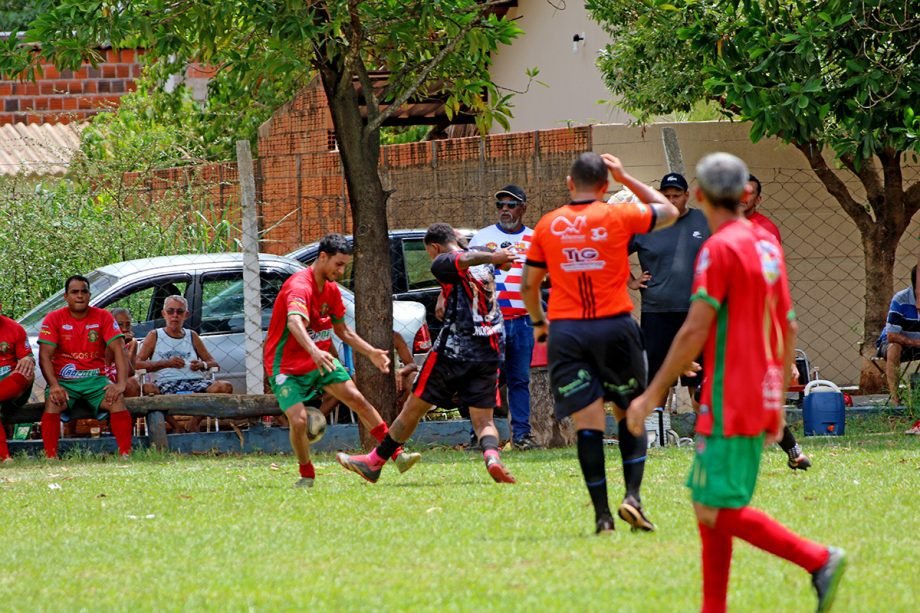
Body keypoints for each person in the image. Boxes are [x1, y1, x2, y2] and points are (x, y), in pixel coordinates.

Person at [627, 152, 846, 612]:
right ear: (745, 194)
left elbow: (694, 327)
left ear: (701, 195)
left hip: (731, 393)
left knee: (712, 507)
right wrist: (779, 398)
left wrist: (650, 394)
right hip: (758, 388)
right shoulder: (765, 243)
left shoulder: (719, 248)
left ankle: (818, 559)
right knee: (713, 506)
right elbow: (788, 324)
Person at [520, 152, 680, 534]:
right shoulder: (618, 216)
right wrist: (629, 178)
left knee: (588, 424)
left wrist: (540, 324)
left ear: (569, 184)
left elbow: (529, 284)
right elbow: (668, 211)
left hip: (568, 333)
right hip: (615, 329)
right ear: (605, 187)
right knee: (630, 413)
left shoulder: (548, 225)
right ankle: (633, 497)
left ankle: (602, 518)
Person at [336, 223, 517, 484]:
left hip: (453, 352)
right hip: (489, 349)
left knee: (412, 409)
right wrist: (495, 259)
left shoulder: (443, 261)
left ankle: (374, 462)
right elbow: (489, 264)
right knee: (483, 419)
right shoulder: (481, 258)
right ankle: (492, 457)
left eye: (429, 253)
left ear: (434, 247)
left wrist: (493, 257)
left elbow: (462, 259)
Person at [264, 233, 421, 488]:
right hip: (286, 365)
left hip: (321, 361)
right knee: (300, 420)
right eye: (338, 264)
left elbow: (343, 331)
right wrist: (314, 350)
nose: (341, 270)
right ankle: (306, 474)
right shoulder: (298, 287)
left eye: (344, 265)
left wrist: (370, 352)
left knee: (357, 399)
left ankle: (396, 454)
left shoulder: (332, 290)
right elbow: (294, 322)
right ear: (323, 257)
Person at [740, 174, 811, 470]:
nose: (742, 197)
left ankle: (790, 449)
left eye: (749, 193)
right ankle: (791, 451)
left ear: (759, 198)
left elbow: (774, 285)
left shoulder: (766, 231)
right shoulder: (718, 228)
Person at [626, 172, 709, 415]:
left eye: (676, 196)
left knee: (699, 376)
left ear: (687, 195)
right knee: (657, 376)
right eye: (667, 196)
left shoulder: (704, 221)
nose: (672, 200)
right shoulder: (646, 224)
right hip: (657, 312)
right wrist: (631, 281)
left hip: (696, 312)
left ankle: (704, 433)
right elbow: (613, 253)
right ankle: (656, 434)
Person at [470, 184, 539, 450]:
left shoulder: (535, 239)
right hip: (490, 321)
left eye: (511, 205)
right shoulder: (482, 237)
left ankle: (521, 435)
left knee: (519, 379)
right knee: (486, 378)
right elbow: (470, 272)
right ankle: (479, 435)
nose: (505, 210)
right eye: (501, 205)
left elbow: (544, 278)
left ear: (523, 207)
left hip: (522, 321)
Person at [38, 275, 133, 458]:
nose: (80, 296)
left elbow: (119, 348)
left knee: (117, 399)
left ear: (89, 295)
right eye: (75, 292)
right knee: (53, 401)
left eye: (84, 291)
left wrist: (120, 384)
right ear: (66, 297)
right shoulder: (53, 318)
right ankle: (50, 456)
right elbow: (44, 355)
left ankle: (125, 454)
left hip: (96, 380)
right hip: (66, 382)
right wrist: (55, 385)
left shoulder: (103, 316)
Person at [135, 295, 233, 433]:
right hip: (165, 383)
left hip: (195, 382)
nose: (175, 316)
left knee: (224, 386)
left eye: (179, 312)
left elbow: (213, 362)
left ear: (186, 315)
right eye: (170, 311)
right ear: (163, 314)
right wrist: (165, 363)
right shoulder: (155, 335)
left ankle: (193, 423)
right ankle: (176, 426)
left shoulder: (192, 335)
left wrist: (201, 365)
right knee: (148, 388)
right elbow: (136, 363)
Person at [876, 266, 920, 423]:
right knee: (894, 347)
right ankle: (896, 401)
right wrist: (915, 342)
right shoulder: (901, 299)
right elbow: (892, 335)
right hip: (897, 343)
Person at [0, 301, 35, 462]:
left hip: (12, 384)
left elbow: (28, 359)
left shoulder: (14, 328)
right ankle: (5, 457)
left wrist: (28, 359)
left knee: (26, 373)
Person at [106, 308, 140, 398]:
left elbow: (130, 372)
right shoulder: (103, 341)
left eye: (128, 325)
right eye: (119, 325)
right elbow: (105, 365)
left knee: (132, 383)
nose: (124, 329)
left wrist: (122, 346)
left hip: (121, 379)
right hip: (102, 377)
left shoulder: (132, 343)